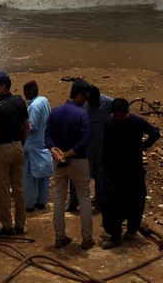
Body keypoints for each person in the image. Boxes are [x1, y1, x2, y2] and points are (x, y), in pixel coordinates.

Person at [97, 98, 160, 248]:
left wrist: (141, 147)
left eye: (122, 115)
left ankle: (131, 230)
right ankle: (115, 234)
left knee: (135, 200)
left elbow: (155, 133)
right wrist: (101, 164)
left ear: (127, 113)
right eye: (116, 115)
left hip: (133, 169)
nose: (119, 118)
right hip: (113, 169)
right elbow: (105, 144)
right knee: (109, 201)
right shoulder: (109, 123)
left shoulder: (136, 121)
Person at [45, 79, 94, 250]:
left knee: (59, 198)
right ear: (79, 96)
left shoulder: (56, 111)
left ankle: (60, 237)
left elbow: (47, 136)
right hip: (78, 161)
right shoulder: (82, 114)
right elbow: (85, 140)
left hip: (59, 161)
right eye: (85, 97)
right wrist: (68, 153)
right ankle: (87, 239)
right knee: (84, 198)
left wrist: (55, 152)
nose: (86, 101)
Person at [0, 71, 28, 236]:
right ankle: (21, 224)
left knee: (2, 190)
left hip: (1, 150)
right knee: (19, 188)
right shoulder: (19, 102)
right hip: (17, 146)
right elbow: (26, 125)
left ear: (2, 87)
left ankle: (7, 226)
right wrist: (22, 143)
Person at [71, 82, 113, 211]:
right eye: (89, 101)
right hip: (83, 146)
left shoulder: (108, 102)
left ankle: (99, 203)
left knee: (99, 176)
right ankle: (73, 203)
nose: (91, 104)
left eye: (94, 102)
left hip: (100, 147)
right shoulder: (82, 102)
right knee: (76, 176)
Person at [22, 80, 53, 211]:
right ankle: (41, 201)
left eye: (25, 93)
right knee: (43, 175)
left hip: (33, 146)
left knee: (30, 178)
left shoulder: (34, 106)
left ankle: (29, 204)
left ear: (29, 92)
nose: (24, 95)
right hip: (42, 144)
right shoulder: (44, 100)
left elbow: (32, 126)